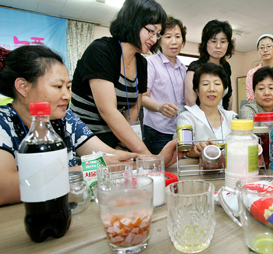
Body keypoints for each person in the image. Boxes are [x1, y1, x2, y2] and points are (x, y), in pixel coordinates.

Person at [0, 45, 184, 206]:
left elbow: (109, 157)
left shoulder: (66, 120)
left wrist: (154, 162)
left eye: (68, 87)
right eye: (58, 87)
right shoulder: (3, 123)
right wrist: (87, 169)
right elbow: (5, 187)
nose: (67, 95)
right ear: (23, 87)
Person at [70, 0, 166, 154]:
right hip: (84, 140)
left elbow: (132, 110)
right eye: (150, 31)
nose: (154, 39)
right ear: (133, 22)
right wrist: (146, 155)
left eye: (157, 34)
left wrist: (124, 146)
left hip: (113, 139)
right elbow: (107, 110)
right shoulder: (101, 51)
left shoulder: (141, 62)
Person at [142, 16, 187, 154]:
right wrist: (160, 107)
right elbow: (143, 97)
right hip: (157, 131)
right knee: (160, 171)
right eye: (168, 37)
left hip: (180, 129)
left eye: (178, 36)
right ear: (159, 39)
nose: (174, 42)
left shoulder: (184, 68)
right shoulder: (150, 63)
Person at [176, 63, 237, 156]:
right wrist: (196, 150)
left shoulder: (231, 118)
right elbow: (183, 150)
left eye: (217, 84)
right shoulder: (187, 118)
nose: (212, 89)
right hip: (198, 169)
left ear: (223, 89)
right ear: (197, 90)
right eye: (205, 84)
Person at [185, 20, 235, 110]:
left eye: (223, 41)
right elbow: (190, 102)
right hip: (199, 119)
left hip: (222, 118)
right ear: (206, 43)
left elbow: (228, 97)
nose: (218, 46)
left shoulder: (226, 67)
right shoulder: (195, 67)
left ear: (228, 44)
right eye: (213, 41)